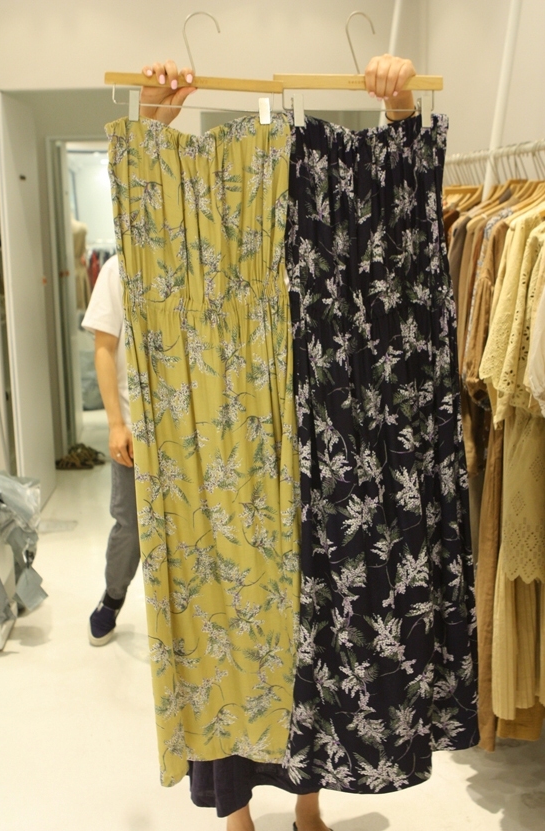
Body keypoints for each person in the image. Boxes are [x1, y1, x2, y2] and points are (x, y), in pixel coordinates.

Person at [121, 54, 419, 831]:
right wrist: (154, 119)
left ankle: (308, 803)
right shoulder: (201, 242)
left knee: (306, 631)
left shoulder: (330, 234)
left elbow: (397, 214)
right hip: (222, 455)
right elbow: (153, 214)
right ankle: (236, 813)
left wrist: (398, 110)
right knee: (223, 619)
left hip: (316, 457)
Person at [82, 255, 142, 646]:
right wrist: (116, 424)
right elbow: (104, 347)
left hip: (192, 427)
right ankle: (112, 598)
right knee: (129, 524)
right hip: (135, 429)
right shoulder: (118, 268)